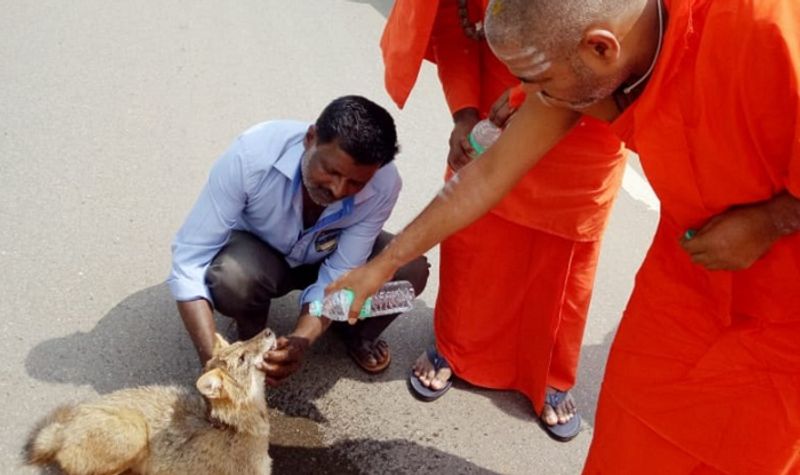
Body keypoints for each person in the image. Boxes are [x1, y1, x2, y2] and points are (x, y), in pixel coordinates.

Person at [330, 0, 800, 472]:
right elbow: (487, 174)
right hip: (689, 270)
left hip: (786, 315)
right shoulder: (592, 65)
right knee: (630, 434)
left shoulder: (765, 27)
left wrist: (770, 222)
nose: (524, 97)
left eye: (538, 82)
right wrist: (382, 265)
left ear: (601, 47)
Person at [381, 0, 626, 441]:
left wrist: (526, 94)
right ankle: (455, 347)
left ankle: (551, 373)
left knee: (564, 261)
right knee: (475, 237)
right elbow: (456, 29)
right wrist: (465, 113)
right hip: (494, 101)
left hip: (590, 114)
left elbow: (627, 54)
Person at [167, 95, 430, 384]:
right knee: (232, 279)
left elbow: (340, 272)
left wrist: (301, 339)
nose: (339, 190)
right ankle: (252, 341)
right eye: (330, 171)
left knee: (409, 271)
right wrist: (213, 363)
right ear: (310, 138)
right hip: (260, 256)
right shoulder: (251, 156)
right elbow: (190, 262)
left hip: (326, 257)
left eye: (356, 182)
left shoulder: (385, 184)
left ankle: (354, 333)